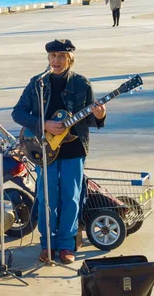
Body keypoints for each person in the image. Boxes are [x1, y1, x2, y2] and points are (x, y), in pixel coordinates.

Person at [11, 39, 106, 264]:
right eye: (53, 56)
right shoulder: (37, 83)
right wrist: (43, 125)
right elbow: (18, 113)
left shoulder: (82, 84)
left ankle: (66, 245)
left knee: (71, 198)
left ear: (70, 59)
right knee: (47, 197)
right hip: (44, 148)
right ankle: (47, 244)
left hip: (74, 147)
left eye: (62, 56)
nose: (56, 61)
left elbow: (90, 118)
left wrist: (100, 116)